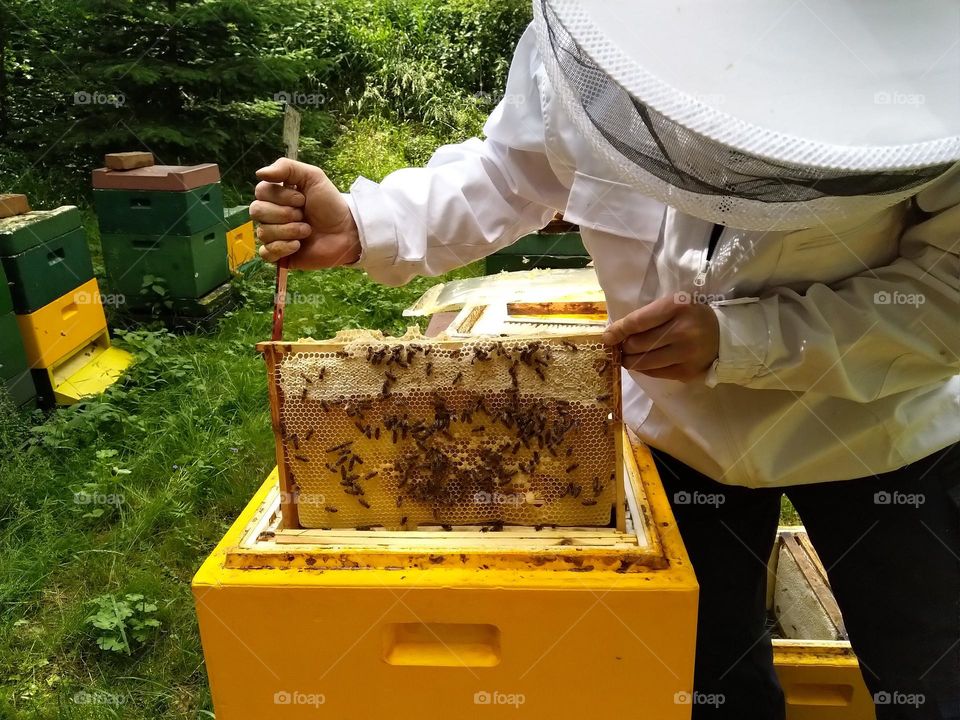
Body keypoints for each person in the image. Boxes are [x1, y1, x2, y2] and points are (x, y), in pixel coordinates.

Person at [250, 2, 960, 718]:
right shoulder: (601, 30)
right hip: (678, 434)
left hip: (882, 429)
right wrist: (371, 225)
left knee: (930, 676)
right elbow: (514, 172)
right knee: (707, 677)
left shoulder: (931, 65)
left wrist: (740, 339)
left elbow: (947, 290)